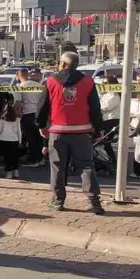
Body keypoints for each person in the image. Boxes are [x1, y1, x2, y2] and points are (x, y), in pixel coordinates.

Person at [36, 50, 105, 214]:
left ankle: (58, 201)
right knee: (86, 166)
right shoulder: (88, 82)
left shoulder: (50, 82)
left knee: (57, 167)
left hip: (57, 132)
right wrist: (99, 128)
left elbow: (42, 107)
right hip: (82, 132)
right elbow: (95, 108)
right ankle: (94, 201)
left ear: (64, 64)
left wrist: (40, 125)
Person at [17, 69, 46, 166]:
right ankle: (40, 159)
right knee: (38, 138)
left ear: (19, 76)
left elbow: (18, 103)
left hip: (28, 114)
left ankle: (33, 160)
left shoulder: (21, 87)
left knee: (30, 139)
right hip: (38, 113)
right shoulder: (40, 86)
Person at [0, 97, 21, 179]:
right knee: (14, 156)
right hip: (14, 139)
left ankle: (8, 173)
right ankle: (16, 172)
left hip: (4, 139)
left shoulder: (2, 119)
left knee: (7, 157)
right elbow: (18, 131)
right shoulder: (17, 119)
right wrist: (20, 140)